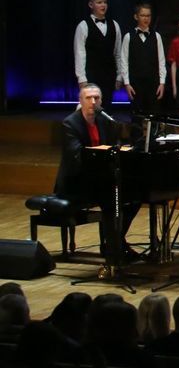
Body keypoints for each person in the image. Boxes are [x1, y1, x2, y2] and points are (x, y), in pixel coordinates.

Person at [54, 83, 140, 261]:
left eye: (97, 98)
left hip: (100, 177)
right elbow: (76, 156)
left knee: (135, 196)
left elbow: (113, 147)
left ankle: (115, 241)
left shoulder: (105, 121)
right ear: (81, 101)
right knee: (110, 198)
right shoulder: (70, 123)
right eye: (88, 98)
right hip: (76, 180)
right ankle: (113, 250)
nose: (93, 102)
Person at [73, 0, 123, 106]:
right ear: (91, 5)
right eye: (99, 2)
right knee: (91, 110)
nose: (103, 5)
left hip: (109, 77)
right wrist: (82, 79)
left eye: (105, 2)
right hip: (91, 77)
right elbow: (80, 54)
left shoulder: (115, 25)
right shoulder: (83, 26)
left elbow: (118, 53)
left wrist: (119, 76)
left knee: (106, 111)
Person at [119, 2, 166, 116]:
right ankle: (137, 134)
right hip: (136, 84)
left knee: (154, 115)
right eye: (143, 15)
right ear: (136, 16)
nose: (146, 18)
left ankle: (153, 134)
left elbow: (161, 61)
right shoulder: (128, 37)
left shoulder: (156, 36)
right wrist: (127, 83)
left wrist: (162, 83)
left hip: (153, 83)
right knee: (137, 116)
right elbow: (124, 61)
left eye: (148, 16)